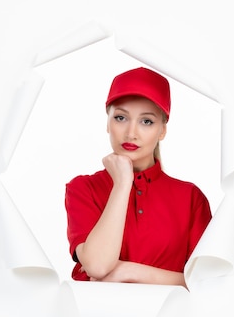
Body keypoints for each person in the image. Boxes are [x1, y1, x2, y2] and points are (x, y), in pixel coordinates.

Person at [65, 67, 212, 287]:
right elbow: (97, 265)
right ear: (108, 123)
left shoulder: (191, 198)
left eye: (147, 121)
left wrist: (130, 271)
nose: (131, 132)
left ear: (162, 130)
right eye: (121, 117)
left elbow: (206, 281)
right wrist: (123, 184)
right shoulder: (83, 188)